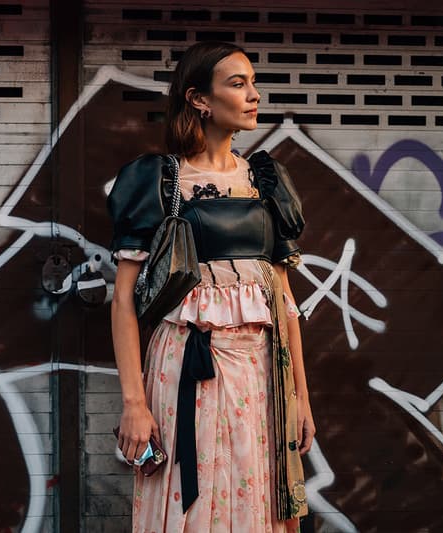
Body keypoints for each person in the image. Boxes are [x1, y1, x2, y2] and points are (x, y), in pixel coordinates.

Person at [108, 41, 316, 532]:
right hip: (185, 364)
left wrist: (300, 396)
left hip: (259, 370)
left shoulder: (266, 181)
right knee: (192, 498)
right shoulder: (159, 180)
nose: (253, 95)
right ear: (199, 99)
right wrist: (134, 404)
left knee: (256, 493)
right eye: (237, 84)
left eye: (253, 83)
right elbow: (122, 299)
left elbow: (284, 302)